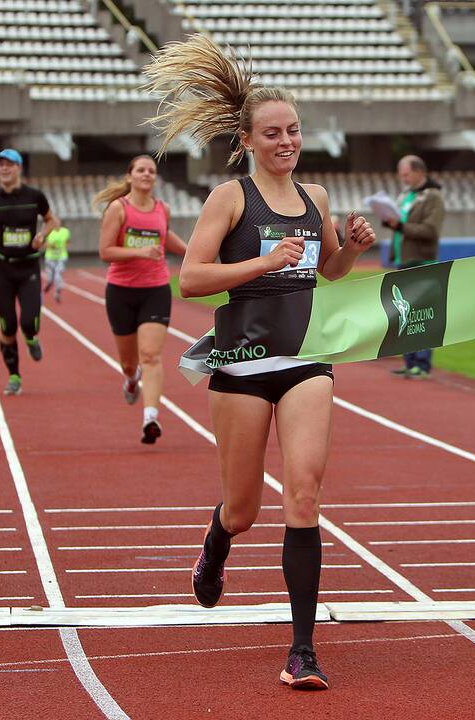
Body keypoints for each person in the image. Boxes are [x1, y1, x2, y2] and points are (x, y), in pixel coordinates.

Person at [143, 33, 376, 690]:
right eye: (273, 133)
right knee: (243, 509)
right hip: (241, 364)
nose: (286, 141)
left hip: (305, 361)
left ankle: (302, 649)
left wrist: (352, 248)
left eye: (294, 131)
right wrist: (262, 263)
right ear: (247, 141)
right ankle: (217, 545)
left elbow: (327, 269)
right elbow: (189, 278)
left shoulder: (317, 199)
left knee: (303, 492)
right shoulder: (231, 199)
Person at [95, 155, 188, 444]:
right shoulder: (118, 209)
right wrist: (140, 252)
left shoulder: (163, 208)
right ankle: (131, 379)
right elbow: (105, 251)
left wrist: (193, 253)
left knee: (151, 355)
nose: (147, 174)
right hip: (121, 291)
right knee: (128, 363)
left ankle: (151, 417)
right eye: (141, 170)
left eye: (152, 171)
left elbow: (165, 237)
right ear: (130, 176)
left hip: (155, 289)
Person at [0, 149, 60, 396]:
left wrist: (42, 234)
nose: (4, 169)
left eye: (9, 164)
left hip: (28, 266)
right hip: (0, 268)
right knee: (7, 325)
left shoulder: (34, 196)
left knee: (29, 321)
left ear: (19, 168)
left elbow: (52, 221)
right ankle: (14, 376)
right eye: (0, 165)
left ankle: (31, 338)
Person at [381, 155, 445, 379]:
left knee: (423, 314)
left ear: (420, 172)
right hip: (403, 261)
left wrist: (400, 226)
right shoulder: (406, 195)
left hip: (422, 261)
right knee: (404, 314)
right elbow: (401, 224)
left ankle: (422, 364)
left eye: (406, 174)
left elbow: (430, 231)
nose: (403, 178)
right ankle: (409, 362)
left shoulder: (433, 197)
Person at [43, 225, 70, 303]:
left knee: (58, 275)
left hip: (61, 257)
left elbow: (67, 241)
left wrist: (64, 246)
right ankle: (49, 283)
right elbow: (44, 244)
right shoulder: (48, 231)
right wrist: (51, 245)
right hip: (50, 258)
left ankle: (57, 293)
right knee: (50, 278)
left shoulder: (65, 231)